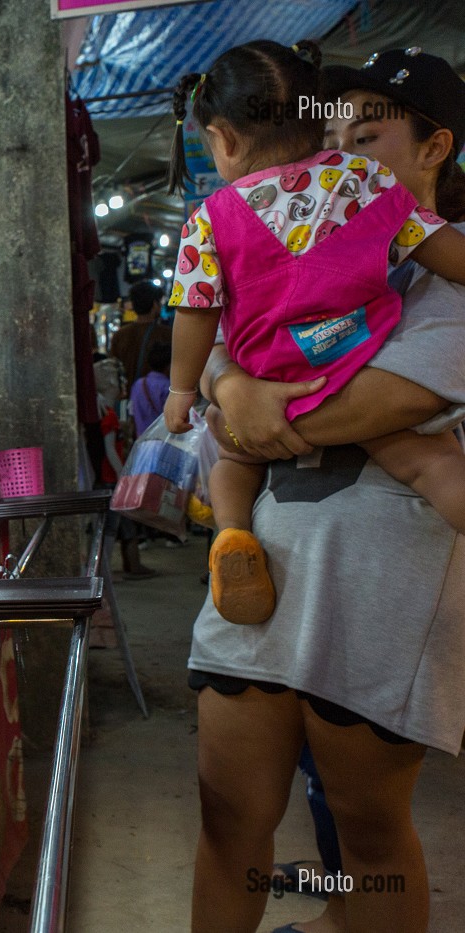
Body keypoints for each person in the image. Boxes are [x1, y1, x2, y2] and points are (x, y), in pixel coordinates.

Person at [188, 47, 465, 933]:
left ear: (435, 148)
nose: (335, 157)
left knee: (367, 832)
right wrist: (227, 385)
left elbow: (378, 405)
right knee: (230, 814)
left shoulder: (445, 277)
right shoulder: (294, 244)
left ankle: (350, 913)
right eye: (330, 131)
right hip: (268, 565)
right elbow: (222, 392)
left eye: (367, 134)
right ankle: (327, 915)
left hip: (381, 577)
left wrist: (234, 393)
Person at [162, 40, 465, 625]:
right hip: (356, 355)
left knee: (230, 454)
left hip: (266, 370)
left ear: (222, 140)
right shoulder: (366, 182)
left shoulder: (210, 218)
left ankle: (231, 537)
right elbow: (443, 250)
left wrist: (186, 392)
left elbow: (196, 313)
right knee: (432, 462)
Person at [93, 357, 155, 579]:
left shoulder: (106, 412)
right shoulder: (107, 415)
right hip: (112, 478)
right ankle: (104, 572)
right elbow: (110, 450)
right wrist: (123, 477)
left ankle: (105, 571)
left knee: (111, 527)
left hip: (110, 477)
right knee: (109, 527)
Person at [109, 279, 171, 394]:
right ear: (154, 304)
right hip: (159, 399)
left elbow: (113, 369)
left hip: (129, 400)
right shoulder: (166, 335)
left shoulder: (119, 335)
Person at [129, 342, 171, 436]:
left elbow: (132, 412)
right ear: (169, 366)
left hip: (142, 440)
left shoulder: (138, 384)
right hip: (164, 439)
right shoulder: (169, 387)